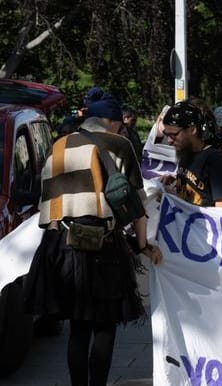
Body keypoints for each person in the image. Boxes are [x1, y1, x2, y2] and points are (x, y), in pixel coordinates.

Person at [24, 93, 162, 386]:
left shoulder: (58, 145)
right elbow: (136, 204)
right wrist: (142, 245)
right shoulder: (118, 144)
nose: (121, 129)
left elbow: (45, 201)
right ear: (111, 122)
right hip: (102, 245)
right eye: (118, 124)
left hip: (61, 245)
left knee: (78, 326)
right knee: (104, 325)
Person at [159, 101, 222, 208]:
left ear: (193, 130)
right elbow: (198, 189)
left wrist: (175, 198)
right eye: (166, 134)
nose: (169, 140)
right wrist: (175, 182)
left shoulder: (216, 161)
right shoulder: (185, 153)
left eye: (174, 134)